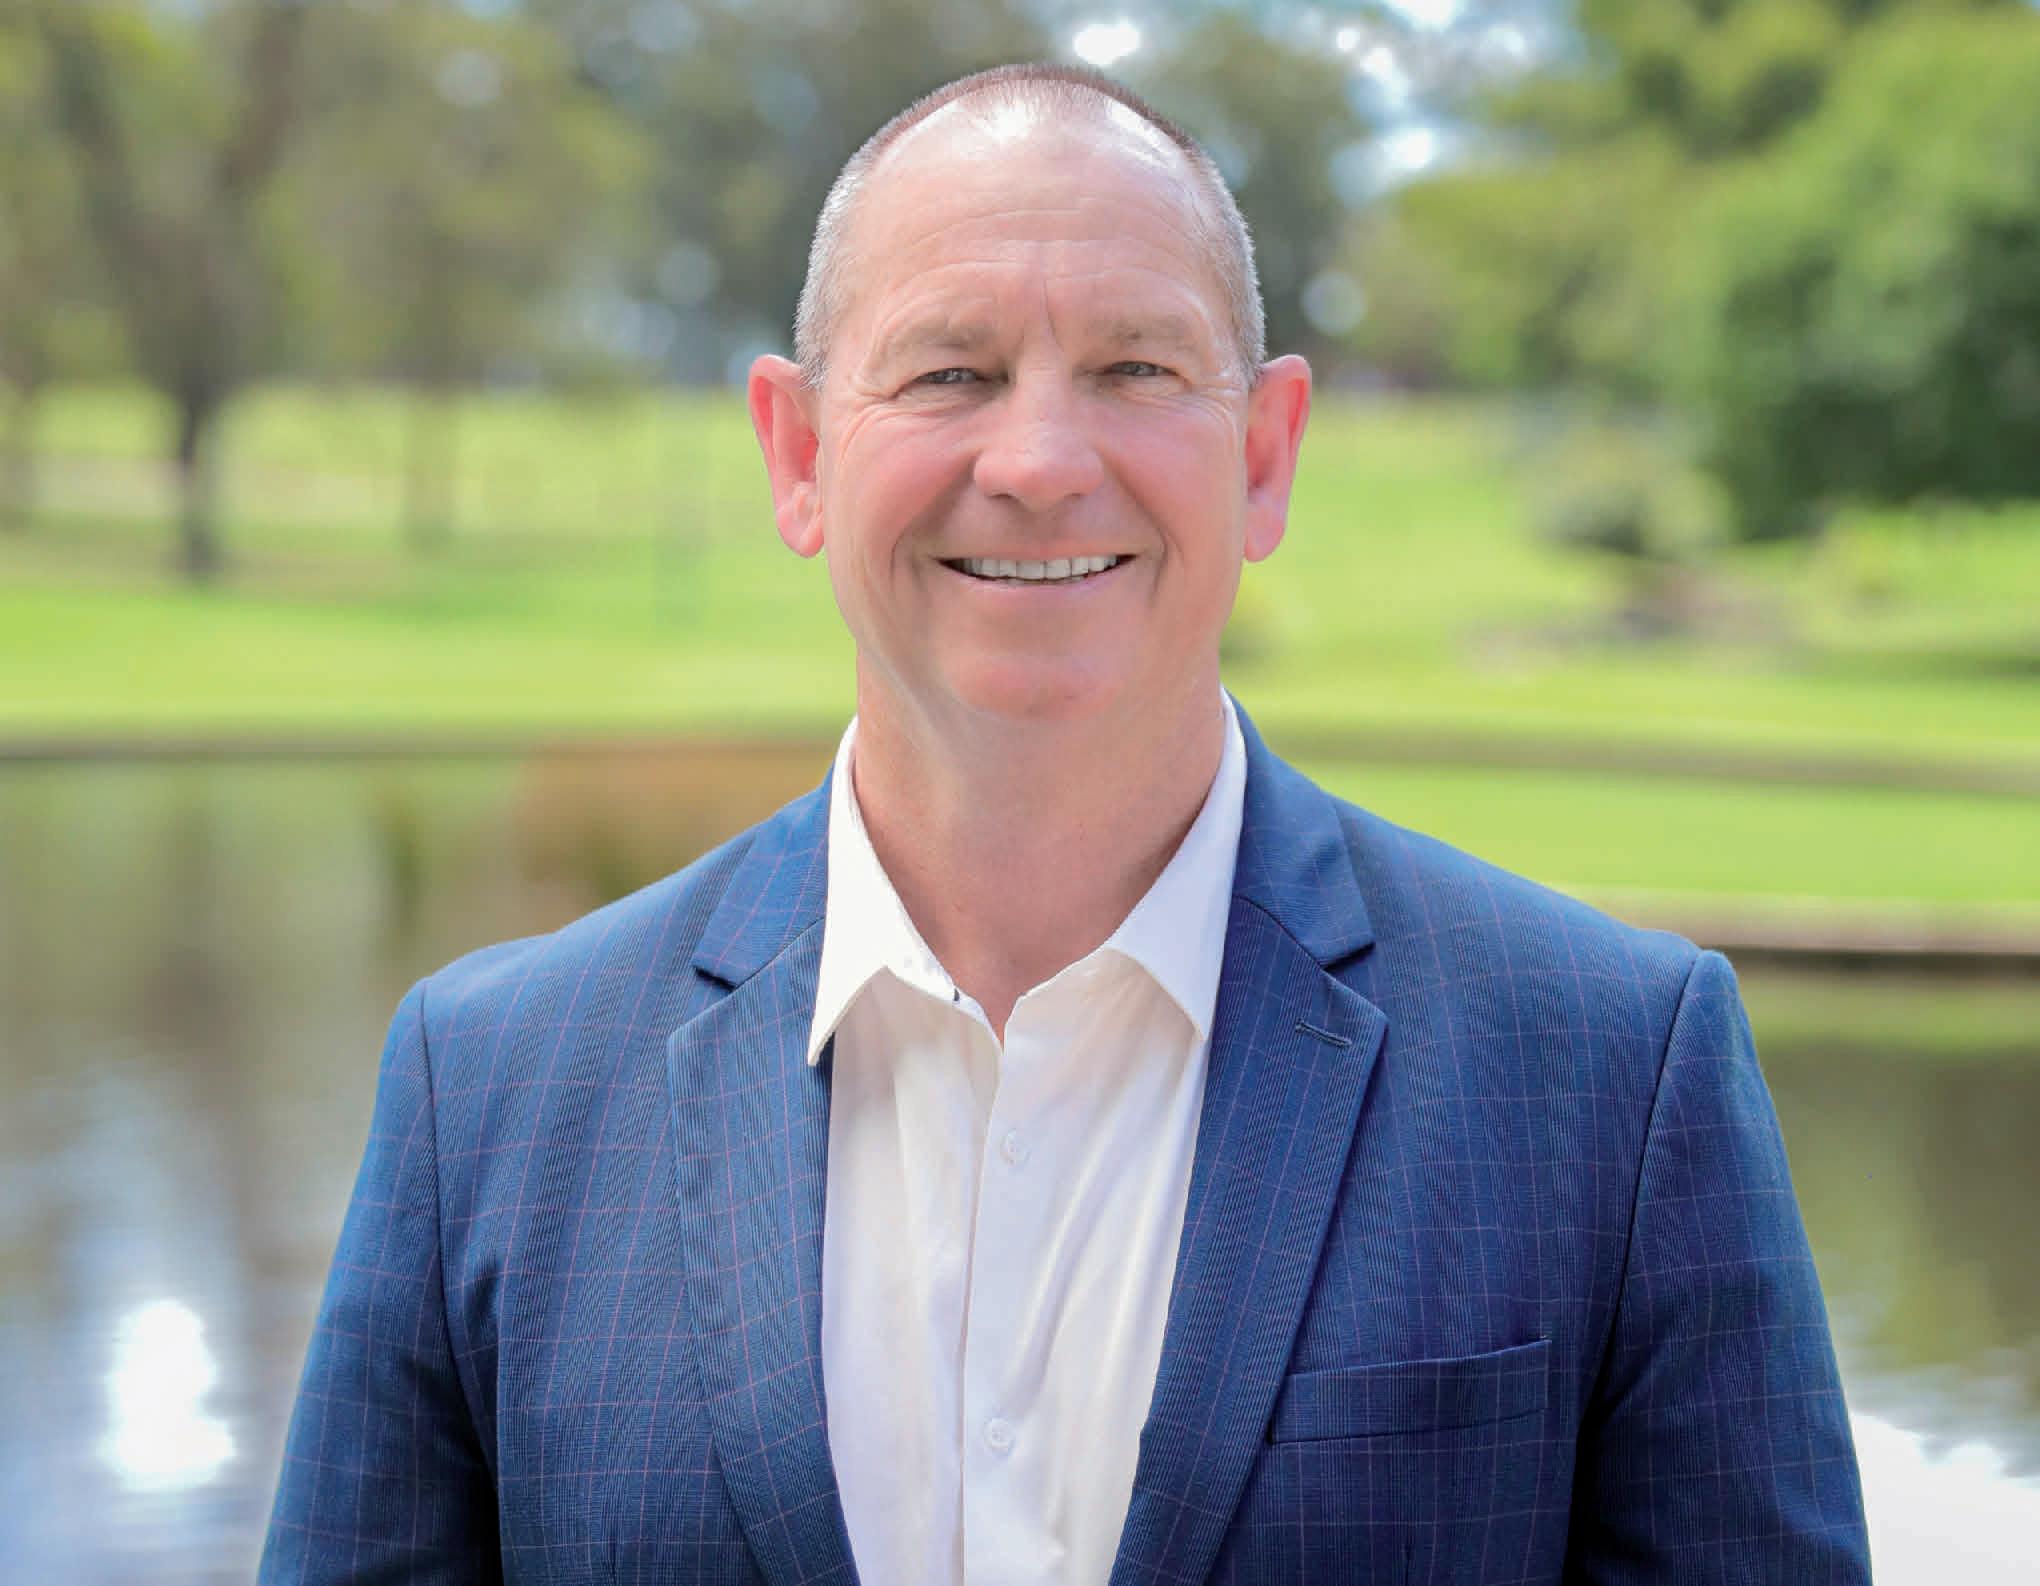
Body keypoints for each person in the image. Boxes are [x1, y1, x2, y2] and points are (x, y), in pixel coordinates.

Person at [261, 64, 1870, 1586]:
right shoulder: (490, 1091)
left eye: (1136, 370)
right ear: (801, 453)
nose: (1037, 462)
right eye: (950, 372)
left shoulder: (1614, 1071)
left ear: (1264, 455)